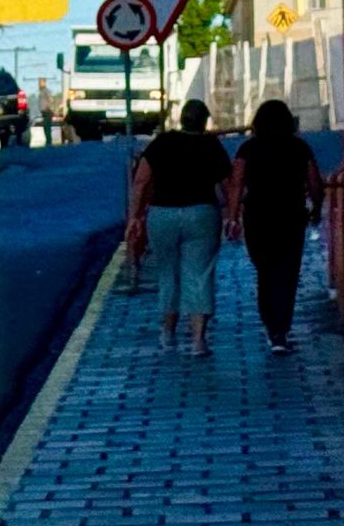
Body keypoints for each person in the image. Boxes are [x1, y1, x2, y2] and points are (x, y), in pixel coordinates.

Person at [127, 98, 232, 355]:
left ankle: (168, 333)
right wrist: (233, 214)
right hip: (202, 214)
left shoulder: (161, 143)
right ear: (204, 122)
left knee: (168, 273)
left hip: (163, 214)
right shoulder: (211, 145)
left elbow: (141, 181)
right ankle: (198, 340)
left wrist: (135, 216)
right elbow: (228, 184)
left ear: (181, 119)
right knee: (200, 273)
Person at [225, 97, 325, 355]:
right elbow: (315, 181)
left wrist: (232, 217)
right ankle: (281, 328)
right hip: (291, 216)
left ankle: (272, 326)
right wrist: (316, 208)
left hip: (258, 217)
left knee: (265, 272)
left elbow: (236, 184)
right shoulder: (300, 147)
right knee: (288, 272)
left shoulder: (247, 149)